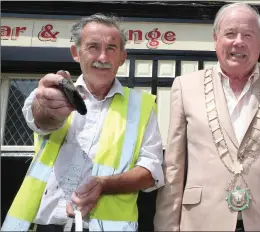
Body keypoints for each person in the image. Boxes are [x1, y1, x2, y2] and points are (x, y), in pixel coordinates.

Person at [154, 2, 260, 231]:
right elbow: (173, 167)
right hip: (202, 221)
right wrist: (166, 226)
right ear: (216, 39)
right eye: (230, 33)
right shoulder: (185, 87)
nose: (238, 41)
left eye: (248, 34)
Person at [2, 13, 165, 232]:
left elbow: (151, 171)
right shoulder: (53, 92)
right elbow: (41, 119)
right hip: (46, 224)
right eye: (93, 47)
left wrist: (104, 184)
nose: (103, 57)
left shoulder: (142, 105)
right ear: (75, 52)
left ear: (122, 57)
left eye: (112, 48)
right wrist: (45, 107)